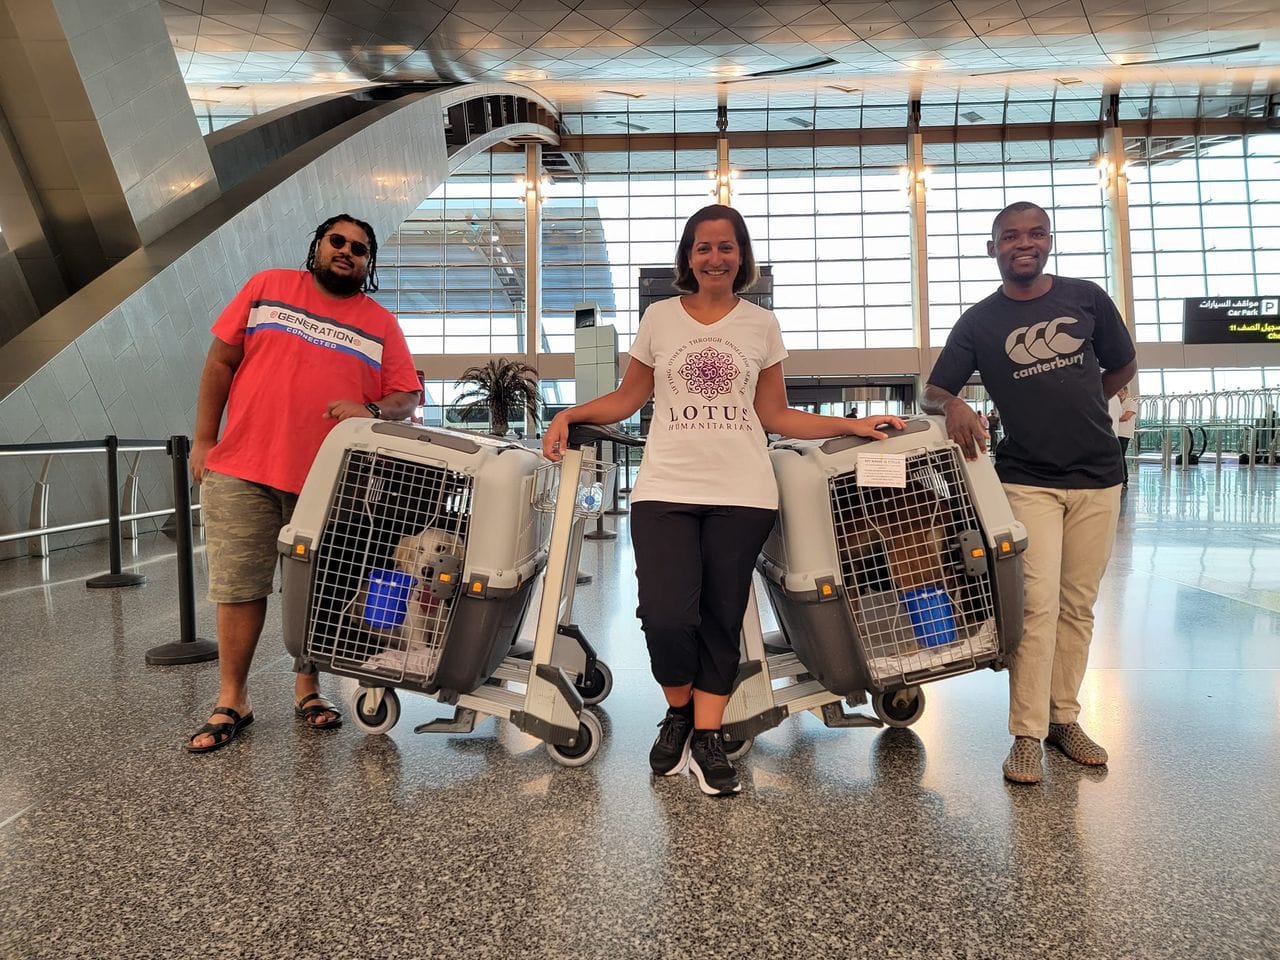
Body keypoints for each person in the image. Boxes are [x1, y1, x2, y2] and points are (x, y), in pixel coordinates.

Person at [542, 204, 903, 797]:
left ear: (742, 257)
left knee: (721, 615)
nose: (715, 257)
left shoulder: (761, 325)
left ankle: (706, 734)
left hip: (743, 492)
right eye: (703, 247)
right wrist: (569, 413)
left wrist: (849, 426)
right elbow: (629, 398)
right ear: (688, 257)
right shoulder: (659, 318)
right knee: (665, 615)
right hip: (664, 489)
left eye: (726, 247)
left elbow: (774, 414)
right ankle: (678, 711)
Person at [186, 214, 422, 753]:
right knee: (239, 587)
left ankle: (308, 688)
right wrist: (203, 439)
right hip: (243, 468)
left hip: (330, 481)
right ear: (318, 245)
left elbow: (405, 396)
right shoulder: (267, 287)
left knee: (318, 588)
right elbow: (220, 362)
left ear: (368, 264)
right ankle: (232, 699)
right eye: (337, 241)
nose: (346, 252)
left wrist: (369, 409)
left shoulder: (380, 323)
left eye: (359, 249)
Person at [922, 200, 1136, 785]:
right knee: (1037, 605)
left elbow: (1122, 365)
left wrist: (1087, 400)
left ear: (1049, 242)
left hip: (1098, 476)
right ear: (992, 248)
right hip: (1027, 479)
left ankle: (1064, 718)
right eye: (1011, 236)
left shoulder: (1087, 298)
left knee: (1077, 605)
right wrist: (955, 403)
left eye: (1036, 233)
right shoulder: (979, 321)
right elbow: (931, 390)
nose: (1025, 243)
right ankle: (1026, 734)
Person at [1109, 385, 1138, 488]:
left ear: (1125, 391)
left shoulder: (1131, 403)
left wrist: (1113, 418)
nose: (1119, 392)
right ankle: (1118, 479)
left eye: (1121, 390)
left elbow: (1126, 417)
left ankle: (1124, 480)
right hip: (1116, 432)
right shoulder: (1116, 402)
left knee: (1121, 456)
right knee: (1117, 456)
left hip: (1124, 434)